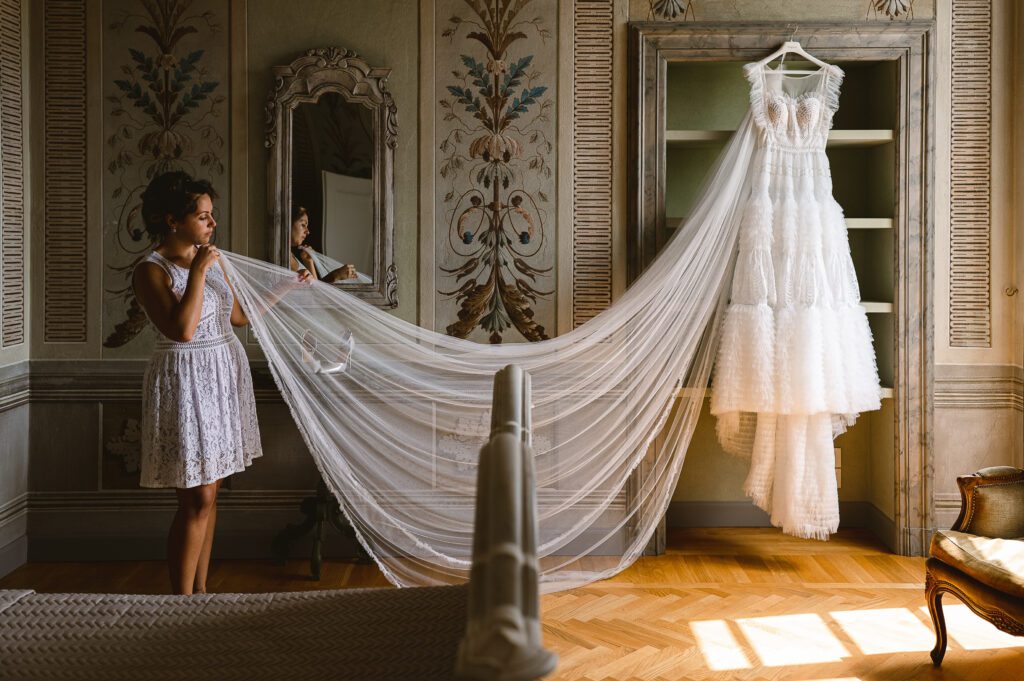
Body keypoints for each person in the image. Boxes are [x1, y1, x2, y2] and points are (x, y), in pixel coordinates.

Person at [132, 171, 308, 595]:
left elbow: (239, 317)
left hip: (222, 375)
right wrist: (197, 272)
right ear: (173, 220)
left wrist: (287, 285)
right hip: (185, 380)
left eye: (212, 215)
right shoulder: (150, 271)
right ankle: (182, 600)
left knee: (210, 496)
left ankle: (202, 594)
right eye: (203, 216)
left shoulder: (211, 260)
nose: (212, 224)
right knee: (195, 499)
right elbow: (183, 329)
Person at [289, 205, 360, 283]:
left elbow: (315, 288)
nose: (308, 232)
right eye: (303, 225)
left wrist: (309, 262)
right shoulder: (280, 257)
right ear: (288, 223)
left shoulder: (291, 256)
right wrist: (336, 275)